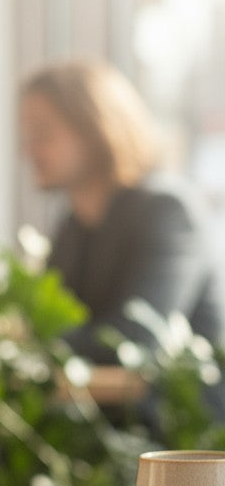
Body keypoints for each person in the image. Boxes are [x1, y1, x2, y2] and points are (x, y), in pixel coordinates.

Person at [19, 59, 225, 363]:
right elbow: (46, 322)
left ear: (94, 127)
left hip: (168, 408)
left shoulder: (167, 211)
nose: (28, 150)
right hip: (94, 406)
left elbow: (135, 341)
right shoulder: (74, 223)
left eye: (43, 133)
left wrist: (29, 341)